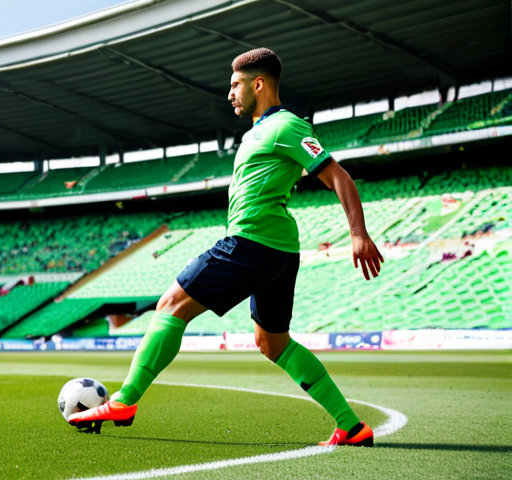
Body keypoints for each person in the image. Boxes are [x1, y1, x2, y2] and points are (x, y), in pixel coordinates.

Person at [69, 48, 384, 447]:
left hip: (252, 243)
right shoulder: (258, 132)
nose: (230, 94)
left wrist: (358, 233)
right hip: (278, 251)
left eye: (235, 85)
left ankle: (124, 401)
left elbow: (338, 176)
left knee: (170, 306)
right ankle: (352, 427)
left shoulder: (287, 126)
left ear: (258, 84)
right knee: (273, 343)